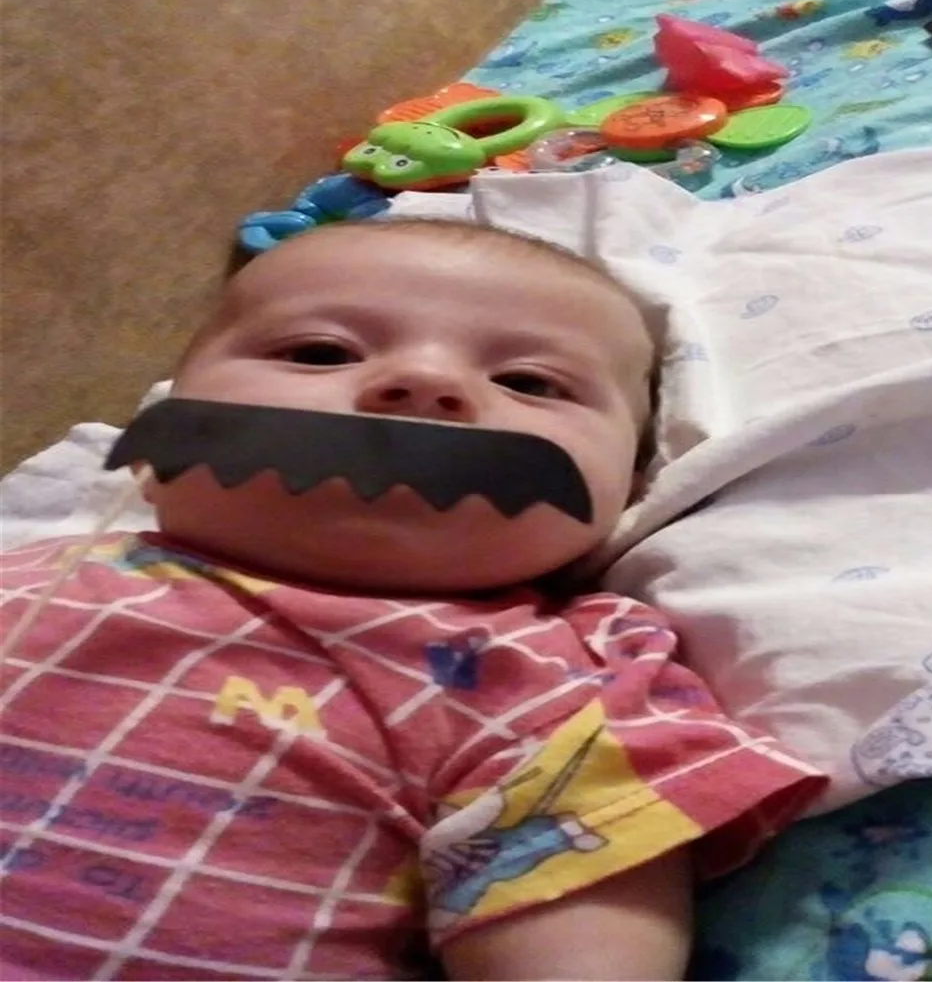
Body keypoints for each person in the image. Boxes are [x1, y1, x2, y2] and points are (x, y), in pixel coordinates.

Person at [0, 218, 825, 981]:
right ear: (156, 440)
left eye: (530, 382)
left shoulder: (559, 684)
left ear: (630, 491)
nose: (424, 381)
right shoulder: (31, 570)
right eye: (318, 353)